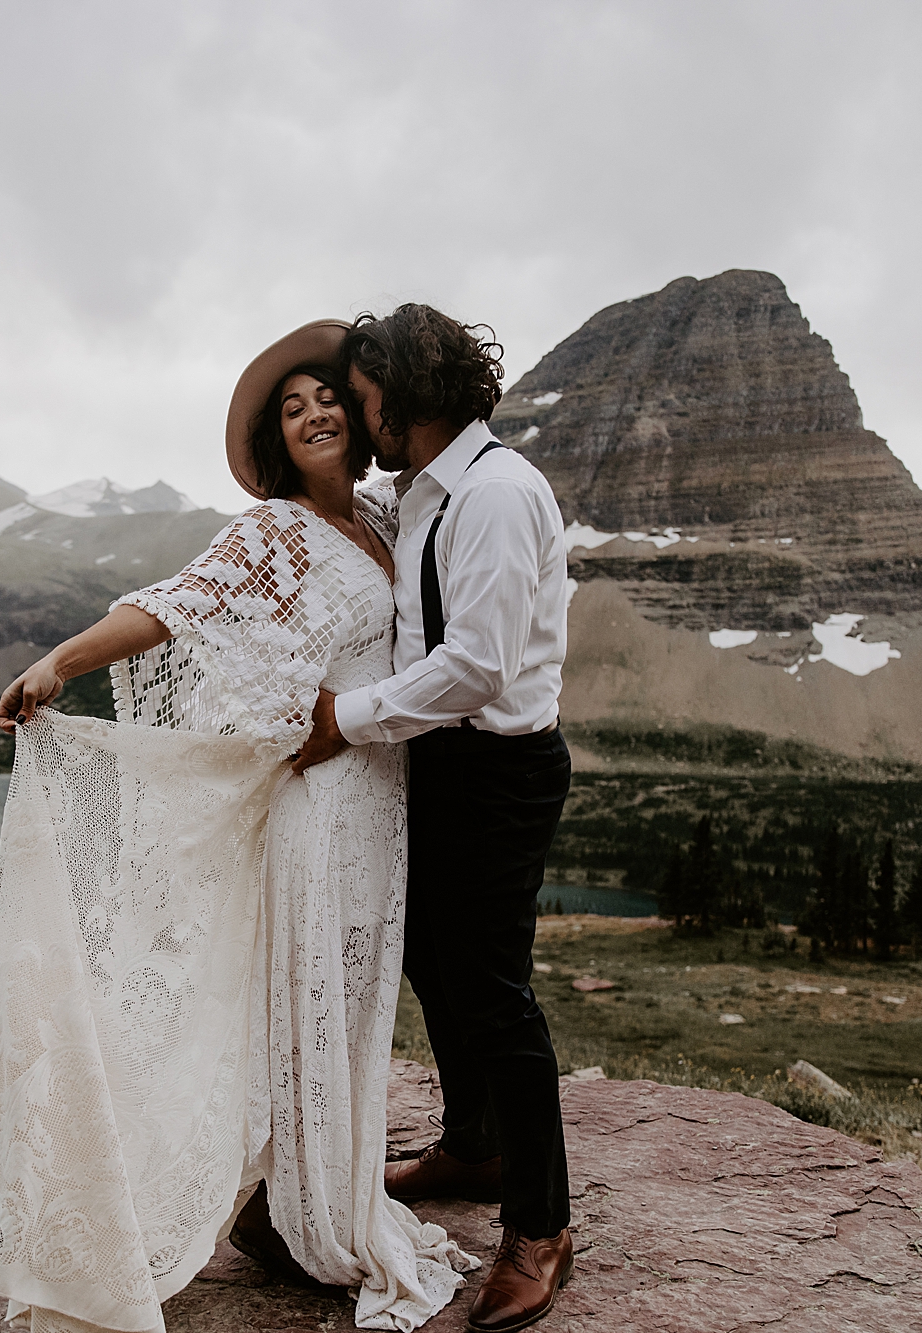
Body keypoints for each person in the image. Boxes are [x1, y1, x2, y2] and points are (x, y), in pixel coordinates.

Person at [0, 320, 475, 1333]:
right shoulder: (274, 535)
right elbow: (176, 607)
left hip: (381, 802)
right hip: (317, 802)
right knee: (312, 1004)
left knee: (355, 999)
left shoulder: (383, 517)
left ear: (356, 409)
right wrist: (61, 662)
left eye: (325, 396)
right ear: (277, 444)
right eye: (289, 410)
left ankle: (310, 1196)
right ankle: (308, 1216)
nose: (313, 414)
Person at [292, 304, 575, 1333]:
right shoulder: (420, 491)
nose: (356, 412)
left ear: (404, 397)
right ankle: (476, 1142)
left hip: (496, 767)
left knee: (495, 991)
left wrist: (343, 721)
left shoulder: (495, 495)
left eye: (362, 394)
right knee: (427, 952)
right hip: (443, 763)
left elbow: (475, 667)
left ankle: (540, 1224)